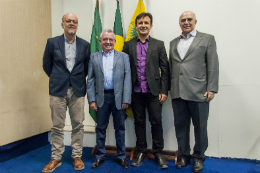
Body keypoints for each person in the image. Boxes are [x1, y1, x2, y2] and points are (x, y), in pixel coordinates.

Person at [169, 11, 219, 173]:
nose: (186, 22)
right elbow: (172, 67)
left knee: (200, 127)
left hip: (199, 92)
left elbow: (212, 64)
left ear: (195, 21)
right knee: (180, 127)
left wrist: (211, 88)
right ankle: (183, 155)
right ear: (179, 23)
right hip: (178, 92)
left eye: (189, 19)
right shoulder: (172, 42)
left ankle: (199, 157)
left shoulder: (207, 39)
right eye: (183, 20)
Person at [42, 13, 90, 172]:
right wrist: (59, 78)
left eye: (74, 21)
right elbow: (47, 65)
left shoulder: (85, 44)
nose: (71, 23)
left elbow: (86, 67)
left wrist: (73, 80)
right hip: (57, 90)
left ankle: (77, 155)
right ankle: (56, 157)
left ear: (77, 25)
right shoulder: (52, 42)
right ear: (62, 24)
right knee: (57, 126)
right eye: (68, 21)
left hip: (77, 90)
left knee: (78, 124)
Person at [123, 13, 169, 169]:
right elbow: (124, 70)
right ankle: (141, 151)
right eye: (140, 23)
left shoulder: (159, 44)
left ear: (151, 25)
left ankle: (158, 153)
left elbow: (165, 69)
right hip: (135, 92)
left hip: (154, 92)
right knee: (139, 123)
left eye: (146, 23)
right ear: (136, 26)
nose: (143, 25)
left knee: (156, 122)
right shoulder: (128, 45)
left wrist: (164, 90)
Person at [87, 29, 131, 169]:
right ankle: (100, 156)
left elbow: (127, 79)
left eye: (111, 39)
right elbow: (91, 80)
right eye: (105, 39)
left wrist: (126, 99)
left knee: (120, 128)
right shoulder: (94, 57)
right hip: (102, 97)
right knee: (100, 128)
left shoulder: (123, 57)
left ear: (115, 41)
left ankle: (122, 156)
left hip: (119, 98)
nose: (108, 42)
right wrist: (91, 100)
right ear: (100, 42)